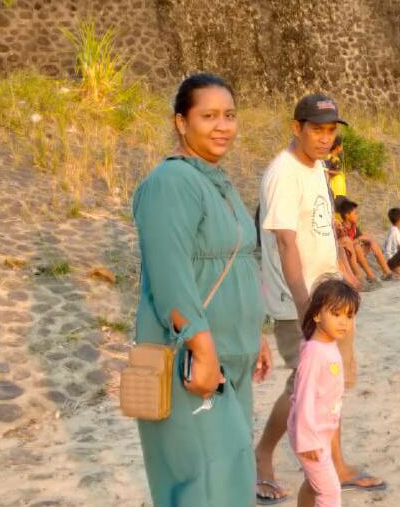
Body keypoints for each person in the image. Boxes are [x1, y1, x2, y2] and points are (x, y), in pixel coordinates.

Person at [131, 73, 274, 507]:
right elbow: (170, 275)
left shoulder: (219, 183)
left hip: (232, 354)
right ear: (180, 122)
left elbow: (238, 265)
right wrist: (203, 347)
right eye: (208, 116)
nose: (222, 126)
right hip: (191, 361)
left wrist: (258, 333)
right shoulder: (170, 183)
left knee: (231, 479)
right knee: (201, 486)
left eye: (229, 116)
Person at [254, 94, 384, 504]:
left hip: (329, 297)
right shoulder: (282, 173)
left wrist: (344, 273)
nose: (325, 138)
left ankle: (335, 464)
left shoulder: (317, 169)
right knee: (302, 387)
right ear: (297, 128)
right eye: (317, 130)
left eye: (331, 131)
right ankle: (263, 456)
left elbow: (323, 226)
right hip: (300, 301)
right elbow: (286, 244)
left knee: (335, 380)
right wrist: (302, 304)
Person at [290, 279, 361, 507]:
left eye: (349, 316)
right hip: (310, 435)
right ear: (317, 315)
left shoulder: (328, 345)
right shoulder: (314, 352)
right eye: (336, 314)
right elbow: (303, 397)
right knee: (330, 493)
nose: (344, 322)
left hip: (321, 432)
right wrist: (307, 439)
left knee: (314, 484)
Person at [333, 198, 392, 284]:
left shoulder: (354, 227)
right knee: (357, 246)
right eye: (355, 214)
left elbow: (362, 238)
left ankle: (387, 271)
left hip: (357, 254)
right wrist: (359, 240)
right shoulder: (341, 228)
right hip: (347, 258)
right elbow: (346, 245)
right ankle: (370, 275)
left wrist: (367, 240)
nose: (357, 216)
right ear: (347, 215)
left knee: (372, 243)